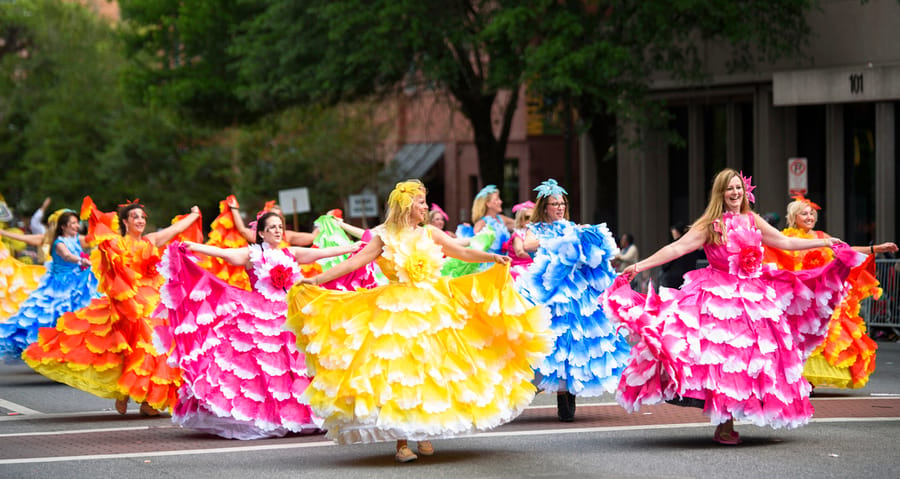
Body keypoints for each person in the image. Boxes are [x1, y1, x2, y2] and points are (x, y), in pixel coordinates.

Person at [284, 179, 551, 463]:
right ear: (406, 206)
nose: (424, 207)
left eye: (425, 202)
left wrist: (492, 257)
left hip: (431, 308)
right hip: (394, 310)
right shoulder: (384, 237)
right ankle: (401, 442)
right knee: (400, 373)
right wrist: (317, 279)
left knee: (431, 371)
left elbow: (461, 252)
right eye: (421, 203)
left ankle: (423, 431)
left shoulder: (430, 234)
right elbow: (353, 263)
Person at [601, 169, 864, 445]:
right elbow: (677, 248)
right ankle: (725, 423)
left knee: (755, 358)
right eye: (729, 189)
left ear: (745, 192)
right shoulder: (710, 225)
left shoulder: (752, 219)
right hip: (718, 295)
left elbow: (784, 242)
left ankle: (743, 408)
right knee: (721, 358)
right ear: (721, 193)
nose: (735, 193)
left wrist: (825, 241)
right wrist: (640, 265)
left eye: (738, 187)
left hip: (754, 298)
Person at [153, 211, 359, 439]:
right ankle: (265, 417)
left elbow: (320, 253)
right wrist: (195, 247)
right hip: (259, 316)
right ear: (261, 233)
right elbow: (224, 254)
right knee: (260, 372)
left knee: (296, 367)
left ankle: (304, 415)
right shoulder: (252, 254)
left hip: (290, 314)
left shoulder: (291, 252)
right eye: (271, 228)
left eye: (280, 226)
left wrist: (352, 249)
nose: (278, 231)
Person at [23, 197, 202, 417]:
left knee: (155, 350)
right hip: (126, 304)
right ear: (125, 222)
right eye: (134, 216)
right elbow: (108, 267)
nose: (139, 220)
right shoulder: (116, 243)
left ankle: (147, 399)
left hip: (153, 302)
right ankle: (124, 391)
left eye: (142, 217)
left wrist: (193, 215)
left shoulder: (151, 240)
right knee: (124, 349)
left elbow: (176, 229)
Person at [516, 179, 630, 422]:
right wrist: (560, 239)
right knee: (551, 340)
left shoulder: (571, 226)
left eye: (562, 203)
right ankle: (546, 387)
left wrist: (582, 235)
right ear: (544, 207)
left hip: (576, 290)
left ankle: (567, 394)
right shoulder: (537, 229)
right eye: (554, 203)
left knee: (575, 338)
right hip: (547, 291)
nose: (559, 207)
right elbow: (527, 246)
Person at [765, 195, 897, 389]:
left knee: (826, 336)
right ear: (794, 217)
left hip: (823, 297)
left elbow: (847, 250)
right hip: (798, 298)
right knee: (798, 337)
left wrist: (875, 248)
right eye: (804, 213)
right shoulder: (786, 238)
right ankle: (798, 379)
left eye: (812, 213)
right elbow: (772, 254)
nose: (809, 217)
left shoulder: (822, 237)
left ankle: (808, 380)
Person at [0, 209, 100, 361]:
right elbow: (67, 255)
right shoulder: (58, 242)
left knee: (84, 314)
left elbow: (94, 239)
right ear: (63, 226)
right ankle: (53, 351)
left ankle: (76, 350)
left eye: (76, 223)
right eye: (72, 223)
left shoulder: (76, 239)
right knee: (56, 316)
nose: (76, 226)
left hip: (77, 282)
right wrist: (3, 233)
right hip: (59, 285)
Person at [230, 199, 316, 246]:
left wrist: (324, 223)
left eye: (278, 216)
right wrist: (234, 209)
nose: (275, 218)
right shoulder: (261, 235)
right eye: (272, 215)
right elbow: (243, 230)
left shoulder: (287, 235)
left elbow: (312, 237)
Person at [658, 222, 706, 289]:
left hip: (673, 279)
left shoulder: (674, 245)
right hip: (689, 278)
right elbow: (702, 256)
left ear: (677, 233)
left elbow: (666, 264)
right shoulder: (693, 244)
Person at [506, 201, 535, 281]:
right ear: (521, 220)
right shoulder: (518, 234)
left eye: (534, 217)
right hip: (519, 270)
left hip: (533, 268)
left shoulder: (536, 233)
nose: (531, 220)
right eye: (527, 218)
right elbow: (520, 252)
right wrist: (540, 256)